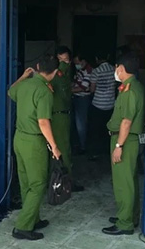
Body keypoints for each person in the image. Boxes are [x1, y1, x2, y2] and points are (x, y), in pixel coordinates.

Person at [9, 54, 61, 241]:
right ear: (55, 72)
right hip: (33, 142)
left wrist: (23, 76)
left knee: (26, 182)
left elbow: (10, 92)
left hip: (19, 138)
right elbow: (43, 122)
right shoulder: (44, 91)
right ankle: (23, 226)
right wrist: (54, 147)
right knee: (38, 184)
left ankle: (33, 218)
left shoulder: (24, 84)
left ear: (37, 66)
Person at [102, 52, 145, 236]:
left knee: (123, 183)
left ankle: (125, 223)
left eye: (116, 68)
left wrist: (118, 146)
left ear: (121, 68)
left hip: (125, 140)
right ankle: (129, 216)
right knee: (130, 180)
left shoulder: (129, 91)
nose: (115, 71)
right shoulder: (134, 86)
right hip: (128, 139)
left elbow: (126, 122)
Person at [50, 46, 84, 192]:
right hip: (58, 116)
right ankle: (66, 183)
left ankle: (60, 181)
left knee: (63, 149)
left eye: (65, 60)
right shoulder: (55, 76)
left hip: (64, 115)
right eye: (60, 60)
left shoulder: (66, 75)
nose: (63, 63)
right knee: (63, 150)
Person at [88, 52, 117, 160]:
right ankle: (108, 151)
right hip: (110, 104)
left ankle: (95, 152)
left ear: (97, 58)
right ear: (108, 56)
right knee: (108, 130)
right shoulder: (114, 69)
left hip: (98, 105)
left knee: (95, 130)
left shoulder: (96, 71)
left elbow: (92, 89)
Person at [71, 52, 93, 155]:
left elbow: (83, 87)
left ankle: (83, 147)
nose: (76, 65)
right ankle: (78, 144)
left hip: (83, 99)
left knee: (81, 124)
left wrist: (67, 91)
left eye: (77, 62)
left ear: (83, 61)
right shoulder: (80, 70)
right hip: (76, 97)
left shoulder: (89, 71)